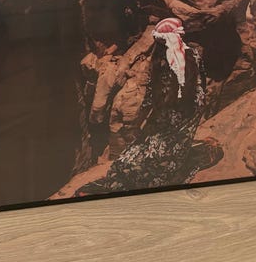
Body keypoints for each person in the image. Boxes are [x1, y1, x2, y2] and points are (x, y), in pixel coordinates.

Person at [75, 17, 207, 196]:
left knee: (147, 167)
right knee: (126, 161)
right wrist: (150, 117)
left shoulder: (186, 58)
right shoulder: (163, 58)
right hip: (167, 117)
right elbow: (154, 91)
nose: (160, 45)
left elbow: (194, 91)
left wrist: (172, 115)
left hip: (180, 119)